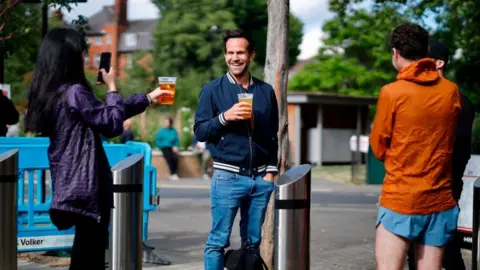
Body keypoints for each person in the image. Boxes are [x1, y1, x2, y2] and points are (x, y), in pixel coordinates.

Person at [23, 28, 172, 270]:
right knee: (89, 254)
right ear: (69, 56)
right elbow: (112, 123)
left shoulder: (55, 92)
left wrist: (149, 97)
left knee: (86, 252)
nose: (84, 57)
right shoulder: (75, 91)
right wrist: (112, 86)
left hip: (71, 182)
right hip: (87, 185)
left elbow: (103, 113)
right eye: (81, 52)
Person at [371, 23, 462, 270]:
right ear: (425, 51)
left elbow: (378, 148)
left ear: (395, 53)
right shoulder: (451, 92)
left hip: (401, 198)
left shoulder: (392, 92)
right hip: (439, 200)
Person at [194, 29, 279, 270]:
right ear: (225, 56)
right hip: (227, 176)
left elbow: (273, 134)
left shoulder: (265, 91)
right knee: (217, 241)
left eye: (240, 52)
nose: (235, 57)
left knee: (253, 243)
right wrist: (225, 117)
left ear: (251, 55)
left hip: (261, 178)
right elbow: (200, 131)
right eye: (230, 52)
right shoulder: (212, 89)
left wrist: (270, 172)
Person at [406, 39, 475, 270]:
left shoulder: (460, 102)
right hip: (414, 189)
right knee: (414, 251)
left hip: (442, 189)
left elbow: (454, 151)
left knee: (447, 250)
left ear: (439, 63)